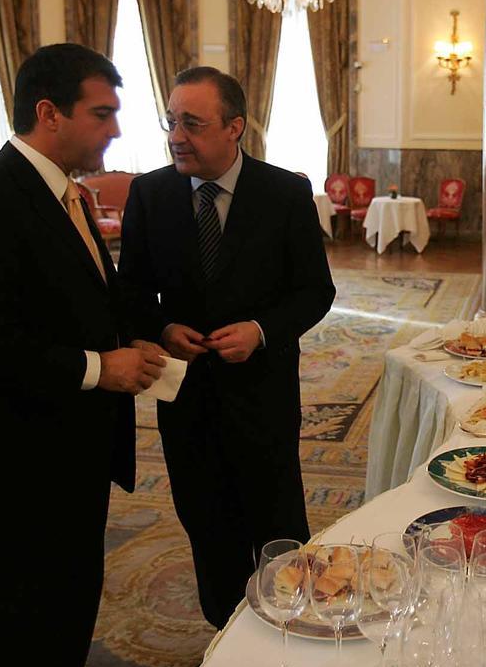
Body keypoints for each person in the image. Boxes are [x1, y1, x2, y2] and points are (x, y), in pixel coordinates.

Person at [0, 44, 167, 666]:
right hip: (8, 471)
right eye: (102, 113)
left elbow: (76, 305)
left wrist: (131, 341)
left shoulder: (71, 196)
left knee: (65, 620)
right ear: (48, 113)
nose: (115, 129)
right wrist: (97, 368)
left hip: (70, 458)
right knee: (16, 635)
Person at [118, 66, 335, 628]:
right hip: (186, 397)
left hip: (262, 393)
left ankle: (292, 632)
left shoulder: (285, 192)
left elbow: (315, 290)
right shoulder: (151, 192)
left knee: (279, 525)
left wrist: (261, 331)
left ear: (235, 126)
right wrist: (163, 328)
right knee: (206, 523)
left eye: (192, 122)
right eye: (171, 121)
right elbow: (133, 290)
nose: (175, 136)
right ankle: (225, 636)